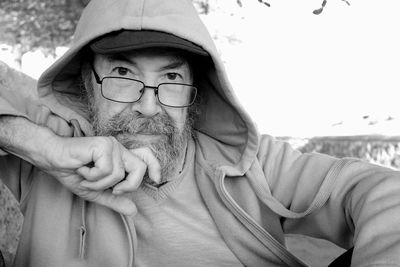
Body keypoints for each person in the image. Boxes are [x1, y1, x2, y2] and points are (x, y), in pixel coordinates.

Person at [1, 0, 400, 266]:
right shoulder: (54, 145)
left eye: (171, 77)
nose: (149, 105)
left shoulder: (249, 164)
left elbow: (384, 194)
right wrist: (42, 147)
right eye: (123, 74)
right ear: (87, 82)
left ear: (196, 92)